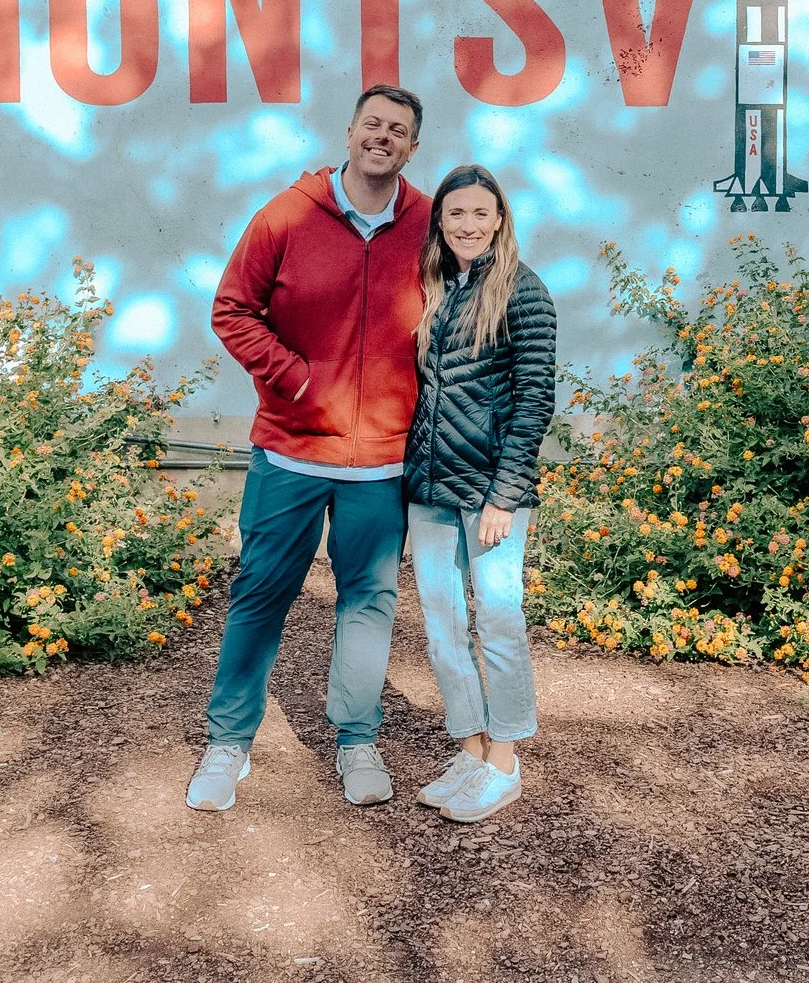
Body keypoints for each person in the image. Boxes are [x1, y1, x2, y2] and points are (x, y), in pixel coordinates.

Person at [186, 84, 432, 813]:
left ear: (412, 148)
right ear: (350, 132)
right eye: (372, 124)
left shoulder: (429, 224)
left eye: (398, 130)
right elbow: (232, 309)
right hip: (291, 452)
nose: (382, 136)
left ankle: (357, 739)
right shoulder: (287, 215)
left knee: (369, 602)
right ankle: (228, 743)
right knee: (260, 594)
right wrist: (295, 378)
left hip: (381, 460)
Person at [403, 163, 555, 824]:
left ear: (499, 220)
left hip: (491, 493)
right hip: (431, 488)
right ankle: (471, 747)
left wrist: (505, 496)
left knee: (497, 620)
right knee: (442, 626)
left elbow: (535, 401)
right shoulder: (437, 287)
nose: (467, 224)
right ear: (440, 221)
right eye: (456, 213)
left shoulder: (524, 291)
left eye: (479, 213)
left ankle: (505, 760)